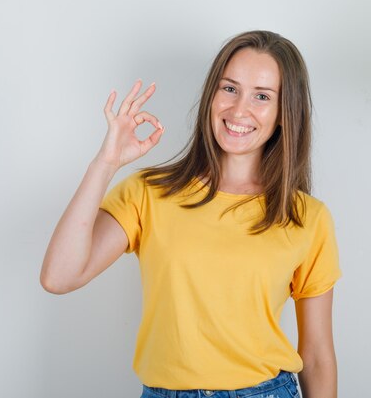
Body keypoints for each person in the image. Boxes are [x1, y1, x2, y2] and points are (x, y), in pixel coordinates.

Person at [40, 30, 342, 398]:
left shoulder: (306, 217)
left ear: (283, 114)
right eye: (230, 88)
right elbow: (59, 277)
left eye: (262, 97)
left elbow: (317, 356)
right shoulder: (149, 193)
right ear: (211, 95)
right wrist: (106, 163)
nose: (239, 110)